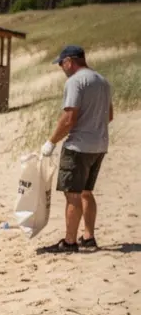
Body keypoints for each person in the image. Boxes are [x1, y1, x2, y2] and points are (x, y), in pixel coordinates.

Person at [38, 45, 113, 254]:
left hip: (78, 146)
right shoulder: (102, 81)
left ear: (69, 61)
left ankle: (70, 241)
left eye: (61, 64)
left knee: (73, 195)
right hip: (99, 145)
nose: (61, 68)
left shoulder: (74, 82)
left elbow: (69, 118)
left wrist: (51, 142)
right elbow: (110, 116)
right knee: (87, 192)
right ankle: (88, 237)